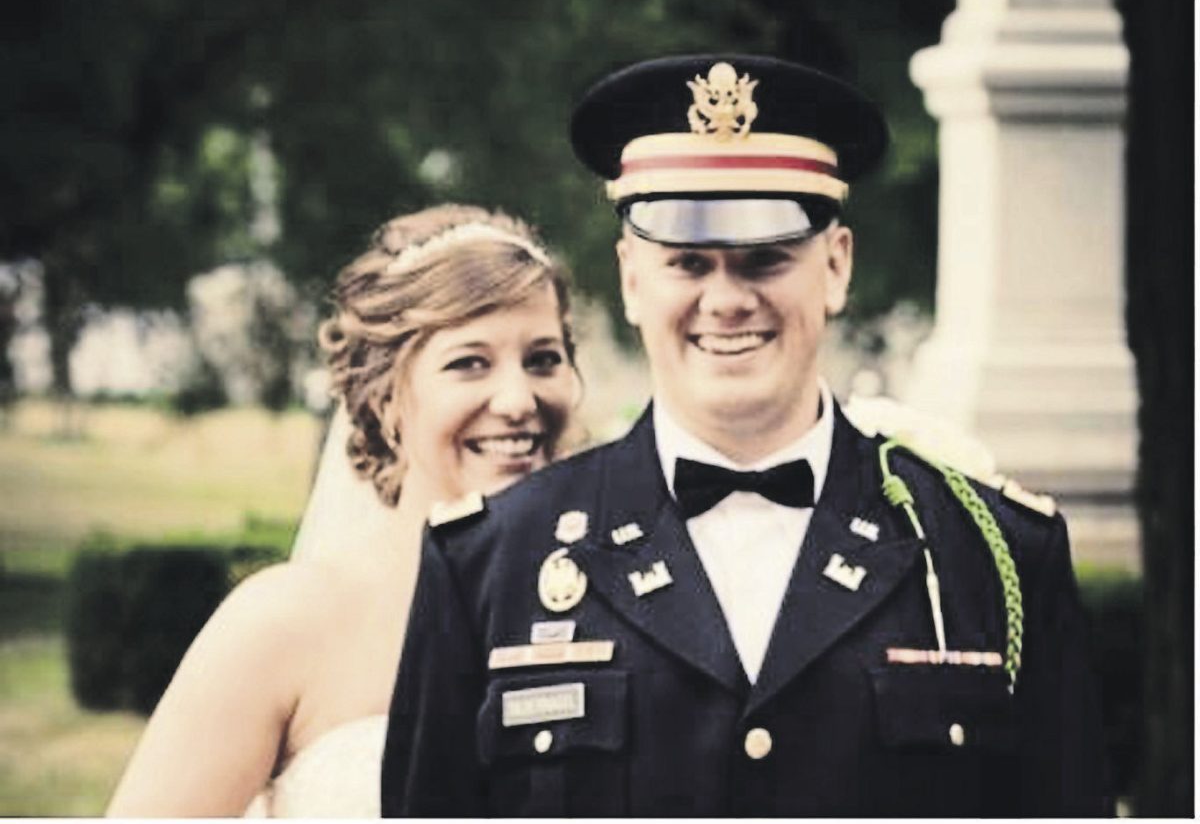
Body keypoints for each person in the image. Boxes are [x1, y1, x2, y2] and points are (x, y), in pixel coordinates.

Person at [381, 55, 1109, 816]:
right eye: (688, 262)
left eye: (765, 259)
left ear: (834, 266)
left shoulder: (994, 552)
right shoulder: (489, 560)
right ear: (633, 279)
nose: (725, 300)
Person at [107, 204, 579, 817]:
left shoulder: (623, 604)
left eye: (543, 358)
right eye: (470, 362)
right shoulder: (283, 623)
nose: (518, 400)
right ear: (386, 399)